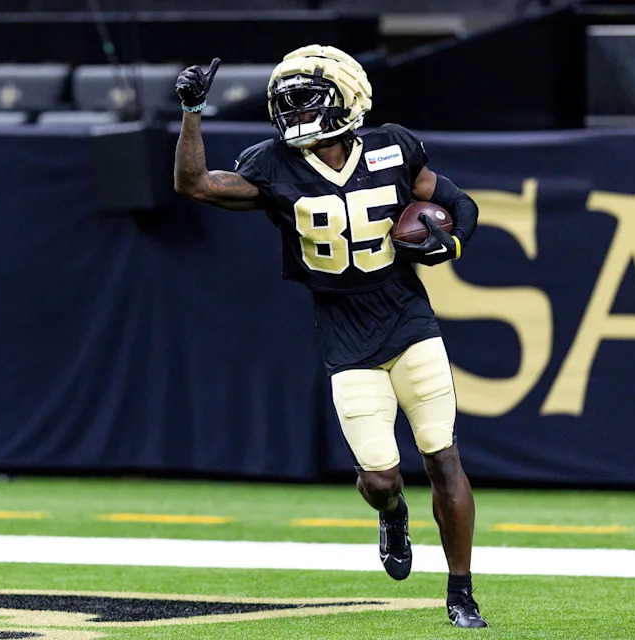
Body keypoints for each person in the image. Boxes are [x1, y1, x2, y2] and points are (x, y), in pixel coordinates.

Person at [172, 45, 487, 629]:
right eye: (287, 103)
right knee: (379, 477)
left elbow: (456, 202)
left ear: (348, 100)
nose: (294, 113)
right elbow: (195, 184)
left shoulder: (394, 145)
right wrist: (194, 110)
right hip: (345, 337)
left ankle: (462, 591)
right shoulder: (272, 165)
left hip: (409, 322)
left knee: (443, 458)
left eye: (307, 100)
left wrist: (454, 240)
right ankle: (392, 514)